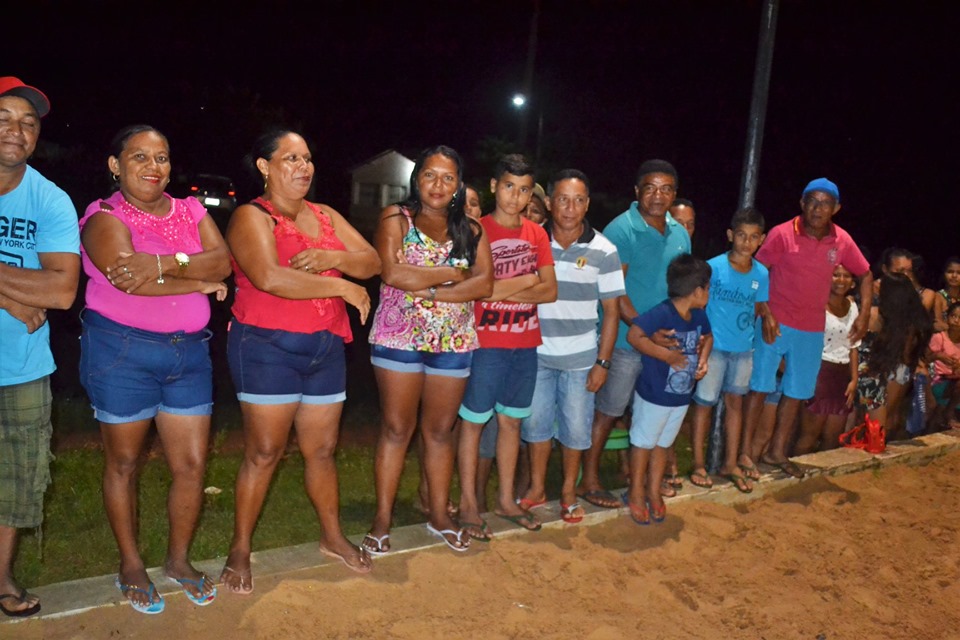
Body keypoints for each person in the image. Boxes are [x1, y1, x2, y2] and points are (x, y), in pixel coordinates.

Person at [79, 125, 230, 613]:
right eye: (139, 157)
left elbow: (224, 261)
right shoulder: (104, 217)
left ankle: (178, 561)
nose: (152, 166)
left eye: (161, 157)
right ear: (115, 165)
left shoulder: (190, 209)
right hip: (122, 353)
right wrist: (197, 281)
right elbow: (128, 283)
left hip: (189, 355)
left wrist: (164, 263)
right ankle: (130, 563)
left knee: (190, 466)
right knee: (123, 463)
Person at [221, 129, 380, 591]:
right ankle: (240, 547)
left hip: (325, 346)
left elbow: (371, 261)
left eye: (307, 158)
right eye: (290, 158)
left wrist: (333, 256)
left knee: (322, 451)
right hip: (266, 347)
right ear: (265, 167)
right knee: (264, 452)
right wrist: (342, 284)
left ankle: (332, 536)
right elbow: (269, 277)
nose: (303, 167)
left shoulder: (325, 214)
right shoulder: (253, 217)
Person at [365, 145, 492, 555]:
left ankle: (439, 514)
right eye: (430, 175)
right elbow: (392, 272)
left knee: (439, 432)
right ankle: (381, 520)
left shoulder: (471, 229)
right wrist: (455, 274)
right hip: (398, 337)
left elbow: (484, 284)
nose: (438, 185)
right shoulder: (395, 218)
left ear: (459, 185)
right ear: (416, 179)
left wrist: (429, 288)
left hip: (453, 342)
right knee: (397, 429)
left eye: (448, 177)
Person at [0, 77, 79, 618]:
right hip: (20, 337)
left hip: (22, 366)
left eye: (28, 122)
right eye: (4, 118)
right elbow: (35, 288)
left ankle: (0, 578)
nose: (17, 130)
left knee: (16, 482)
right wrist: (12, 296)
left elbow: (60, 290)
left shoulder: (50, 199)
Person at [577, 159, 690, 509]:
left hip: (664, 341)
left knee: (653, 413)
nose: (658, 196)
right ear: (637, 191)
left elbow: (682, 289)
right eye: (650, 188)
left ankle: (644, 484)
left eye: (666, 189)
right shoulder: (621, 230)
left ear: (674, 193)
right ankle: (590, 480)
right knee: (608, 411)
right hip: (627, 340)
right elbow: (614, 291)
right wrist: (644, 332)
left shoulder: (680, 233)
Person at [742, 178, 872, 478]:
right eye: (812, 201)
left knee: (796, 394)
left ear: (836, 208)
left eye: (825, 203)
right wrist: (764, 310)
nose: (817, 208)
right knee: (760, 390)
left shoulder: (842, 241)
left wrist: (863, 316)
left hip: (811, 331)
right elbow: (757, 271)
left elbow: (865, 274)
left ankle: (776, 452)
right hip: (774, 325)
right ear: (802, 203)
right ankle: (745, 454)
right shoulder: (782, 233)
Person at [457, 154, 557, 538]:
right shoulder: (476, 231)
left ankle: (505, 499)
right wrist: (526, 280)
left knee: (511, 422)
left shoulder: (537, 234)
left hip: (525, 343)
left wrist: (504, 288)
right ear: (495, 186)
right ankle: (468, 503)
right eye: (509, 187)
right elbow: (477, 288)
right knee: (472, 423)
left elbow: (550, 291)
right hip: (486, 343)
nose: (516, 197)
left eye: (525, 189)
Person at [516, 170, 624, 524]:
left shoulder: (604, 250)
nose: (570, 208)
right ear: (548, 203)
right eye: (562, 199)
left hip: (581, 358)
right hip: (536, 353)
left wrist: (603, 363)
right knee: (535, 426)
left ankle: (567, 492)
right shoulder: (532, 242)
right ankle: (536, 488)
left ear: (587, 204)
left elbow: (611, 311)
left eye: (578, 200)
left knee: (576, 430)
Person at [622, 254, 712, 524]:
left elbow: (708, 337)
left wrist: (704, 359)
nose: (709, 293)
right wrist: (666, 356)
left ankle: (653, 490)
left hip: (680, 397)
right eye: (707, 288)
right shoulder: (662, 313)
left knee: (663, 444)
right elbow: (634, 335)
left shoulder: (697, 314)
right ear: (697, 291)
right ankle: (636, 492)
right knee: (643, 443)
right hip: (653, 394)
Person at [688, 208, 768, 492]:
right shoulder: (713, 268)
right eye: (742, 236)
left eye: (753, 237)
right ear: (731, 235)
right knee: (704, 404)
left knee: (735, 405)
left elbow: (758, 306)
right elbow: (698, 304)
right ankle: (698, 462)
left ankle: (730, 462)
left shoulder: (762, 273)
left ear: (761, 239)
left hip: (743, 350)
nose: (747, 243)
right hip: (714, 348)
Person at [794, 265, 861, 454]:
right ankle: (795, 478)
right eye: (836, 275)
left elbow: (853, 346)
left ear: (853, 282)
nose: (841, 280)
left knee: (832, 437)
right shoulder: (816, 305)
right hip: (819, 371)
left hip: (842, 375)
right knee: (808, 435)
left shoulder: (853, 307)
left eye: (846, 276)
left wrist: (854, 379)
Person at [856, 273, 931, 432]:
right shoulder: (915, 320)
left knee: (871, 425)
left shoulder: (875, 315)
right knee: (891, 416)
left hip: (878, 370)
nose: (876, 283)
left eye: (881, 282)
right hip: (902, 371)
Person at [927, 302, 960, 429]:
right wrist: (939, 356)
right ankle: (948, 413)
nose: (957, 321)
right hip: (938, 380)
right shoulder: (939, 338)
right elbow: (926, 359)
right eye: (954, 316)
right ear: (947, 317)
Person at [933, 257, 960, 332]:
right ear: (944, 274)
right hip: (944, 338)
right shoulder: (938, 296)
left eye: (959, 273)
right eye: (950, 272)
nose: (954, 276)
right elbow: (937, 324)